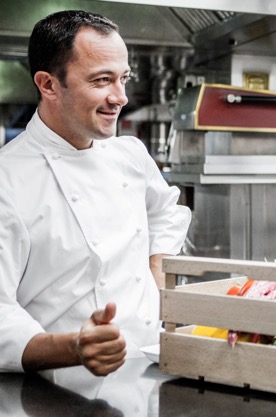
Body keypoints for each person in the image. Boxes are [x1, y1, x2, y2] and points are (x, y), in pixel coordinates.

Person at [0, 10, 191, 376]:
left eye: (124, 79)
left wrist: (156, 275)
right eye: (102, 80)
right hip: (56, 391)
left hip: (149, 370)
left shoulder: (129, 154)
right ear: (49, 84)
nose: (120, 97)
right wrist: (74, 347)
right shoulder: (8, 179)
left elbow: (166, 212)